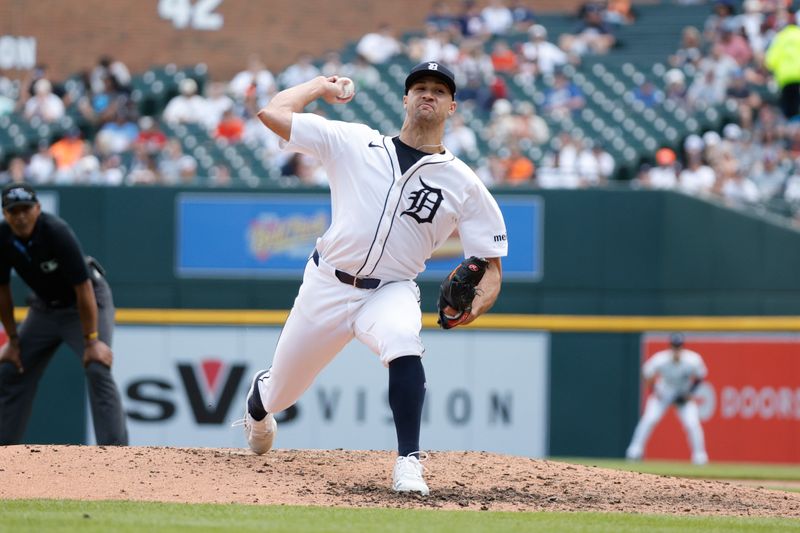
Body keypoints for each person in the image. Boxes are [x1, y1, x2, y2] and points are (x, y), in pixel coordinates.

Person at [237, 62, 508, 495]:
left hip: (391, 288)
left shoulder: (464, 184)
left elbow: (490, 265)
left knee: (403, 341)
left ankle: (408, 462)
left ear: (452, 106)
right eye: (420, 87)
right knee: (282, 394)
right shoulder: (353, 141)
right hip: (327, 284)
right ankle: (259, 400)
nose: (428, 94)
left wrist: (476, 306)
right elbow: (273, 113)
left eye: (439, 90)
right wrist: (318, 87)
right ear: (405, 99)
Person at [0, 183, 128, 446]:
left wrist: (92, 341)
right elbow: (2, 292)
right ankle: (4, 451)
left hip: (86, 303)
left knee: (96, 366)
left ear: (38, 209)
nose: (21, 216)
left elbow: (83, 288)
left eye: (25, 209)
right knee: (11, 369)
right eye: (14, 211)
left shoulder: (55, 231)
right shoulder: (3, 237)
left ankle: (118, 456)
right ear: (5, 214)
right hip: (44, 309)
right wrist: (12, 341)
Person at [626, 333, 708, 465]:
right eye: (674, 346)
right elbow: (646, 373)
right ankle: (634, 452)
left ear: (682, 347)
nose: (676, 350)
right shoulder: (661, 359)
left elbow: (700, 376)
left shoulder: (692, 359)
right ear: (670, 347)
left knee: (692, 424)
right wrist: (653, 390)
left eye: (679, 346)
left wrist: (690, 393)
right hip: (664, 393)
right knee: (649, 419)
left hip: (683, 394)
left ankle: (700, 458)